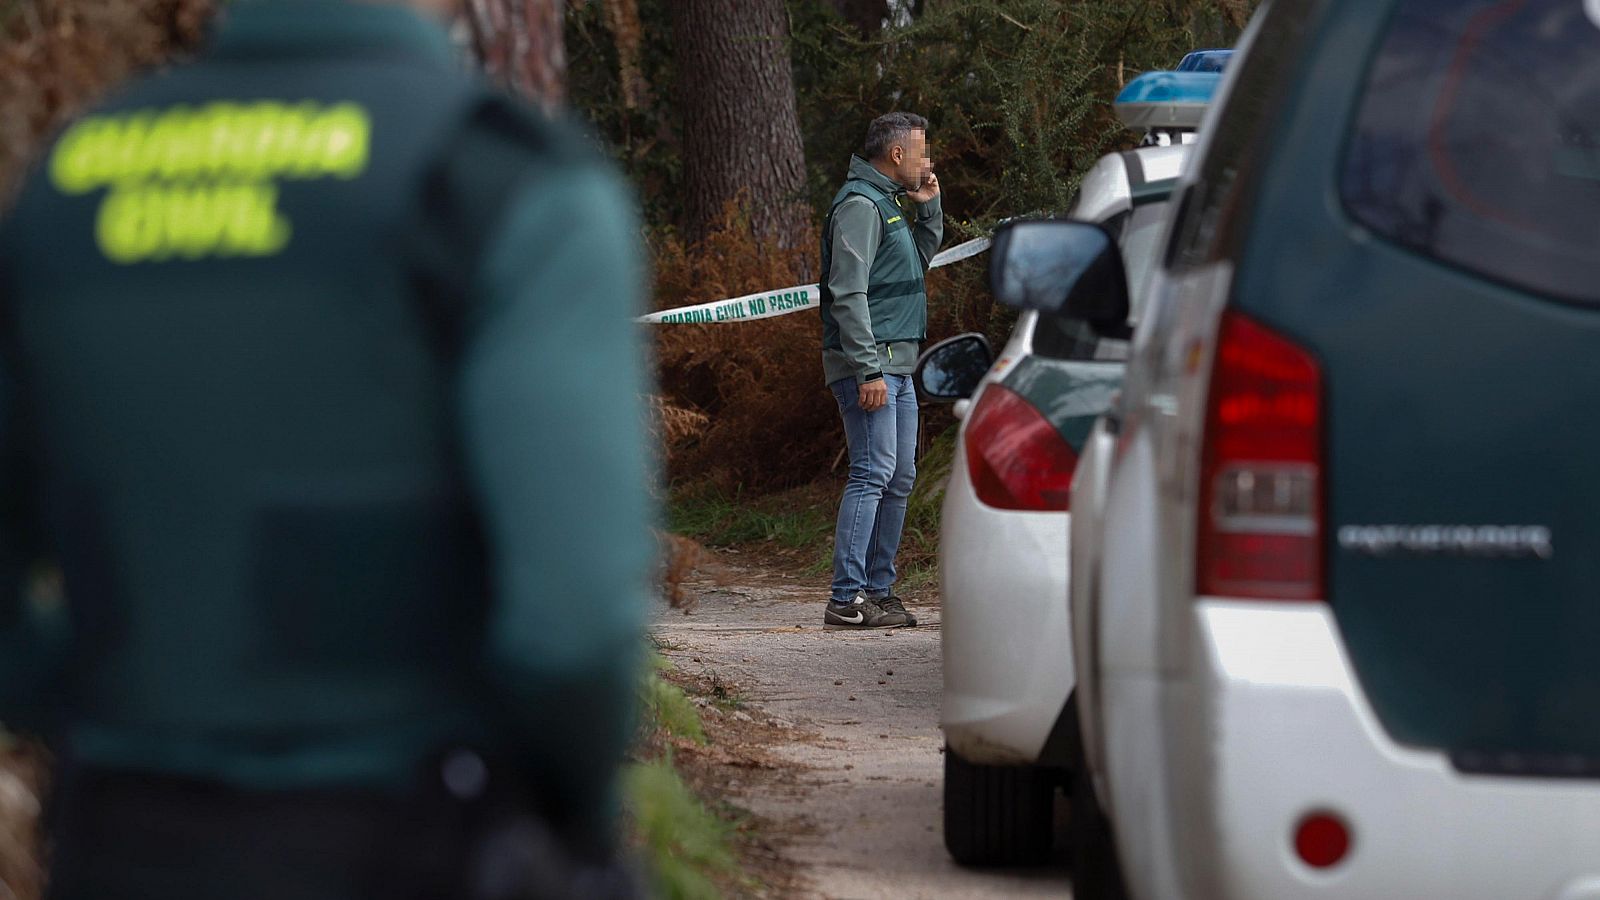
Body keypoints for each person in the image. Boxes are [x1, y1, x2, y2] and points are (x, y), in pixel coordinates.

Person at [0, 0, 653, 896]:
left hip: (119, 835)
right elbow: (574, 627)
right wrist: (573, 816)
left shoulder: (67, 183)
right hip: (415, 832)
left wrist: (79, 696)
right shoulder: (500, 182)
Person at [818, 112, 942, 630]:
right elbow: (847, 294)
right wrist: (867, 370)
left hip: (900, 366)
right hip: (872, 368)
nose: (927, 162)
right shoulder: (860, 207)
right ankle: (846, 598)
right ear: (896, 156)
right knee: (872, 473)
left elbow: (917, 264)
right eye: (922, 153)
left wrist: (929, 210)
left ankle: (879, 592)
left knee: (900, 476)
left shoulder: (890, 206)